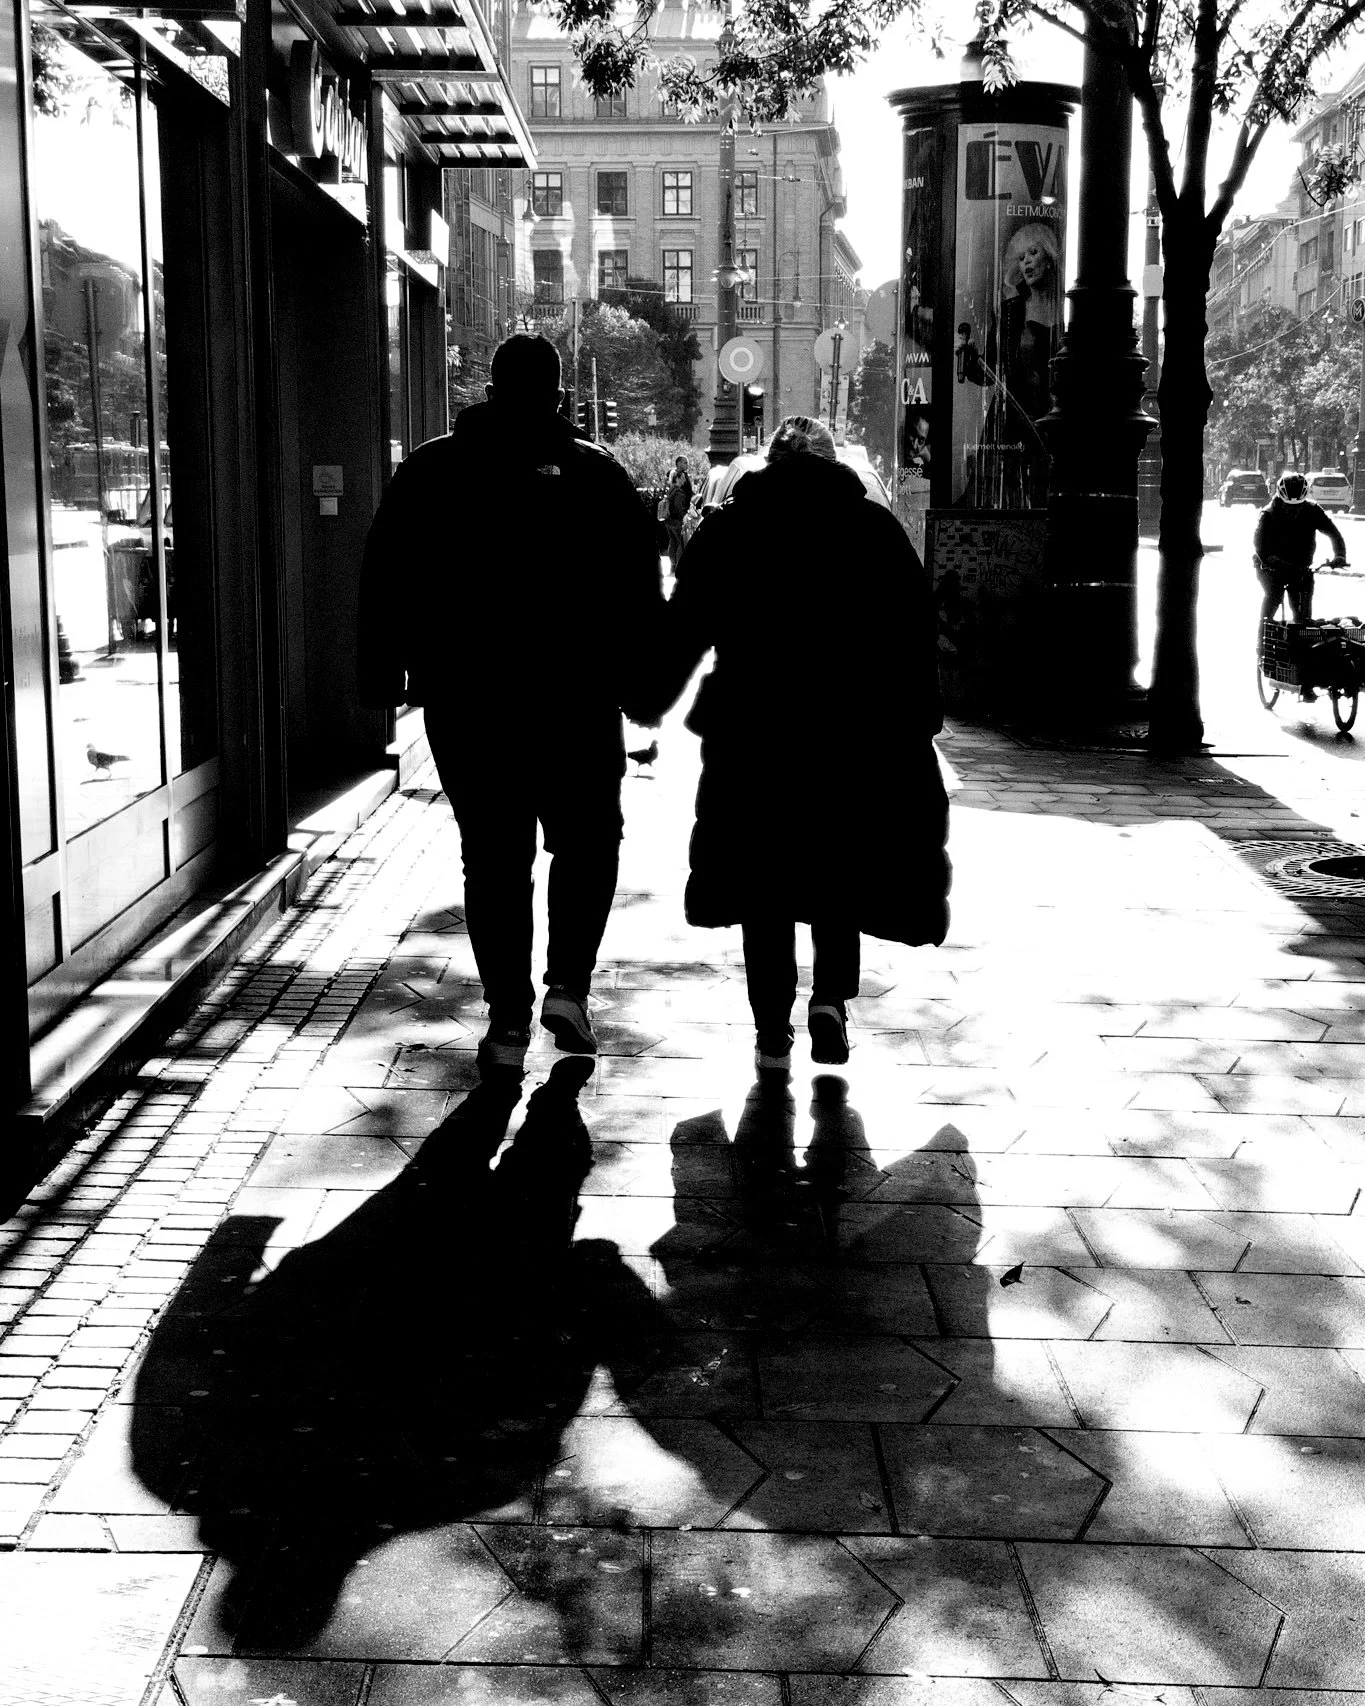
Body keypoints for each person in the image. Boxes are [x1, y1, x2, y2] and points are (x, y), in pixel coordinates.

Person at [356, 333, 662, 1072]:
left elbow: (383, 576)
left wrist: (380, 675)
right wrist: (642, 686)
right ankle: (568, 986)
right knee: (586, 843)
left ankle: (506, 1019)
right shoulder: (596, 475)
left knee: (493, 857)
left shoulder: (430, 470)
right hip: (575, 699)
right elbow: (637, 592)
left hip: (468, 699)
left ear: (489, 390)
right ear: (557, 395)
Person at [643, 414, 950, 1073]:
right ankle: (829, 1004)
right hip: (850, 735)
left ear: (769, 465)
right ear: (829, 462)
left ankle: (770, 1031)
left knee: (763, 882)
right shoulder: (873, 531)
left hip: (750, 734)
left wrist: (646, 697)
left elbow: (684, 626)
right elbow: (912, 632)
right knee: (837, 866)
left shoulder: (729, 531)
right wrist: (918, 722)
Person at [955, 220, 1061, 508]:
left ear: (1050, 259)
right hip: (1012, 418)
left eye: (1033, 253)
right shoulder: (1012, 310)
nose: (1026, 261)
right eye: (1021, 257)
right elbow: (990, 371)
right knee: (1001, 495)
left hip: (1051, 422)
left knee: (1046, 495)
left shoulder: (1068, 311)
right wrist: (971, 354)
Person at [664, 455, 693, 572]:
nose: (687, 465)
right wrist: (683, 516)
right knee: (679, 542)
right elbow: (678, 506)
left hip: (669, 519)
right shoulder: (679, 491)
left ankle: (673, 563)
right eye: (685, 462)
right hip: (677, 519)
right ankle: (677, 564)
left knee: (673, 542)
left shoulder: (671, 487)